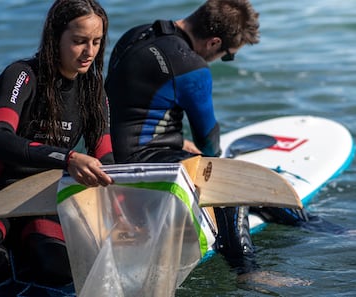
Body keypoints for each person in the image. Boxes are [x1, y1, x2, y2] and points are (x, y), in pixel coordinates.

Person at [105, 0, 311, 275]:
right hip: (147, 167)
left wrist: (176, 143)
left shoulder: (137, 33)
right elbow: (209, 142)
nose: (223, 59)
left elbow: (130, 110)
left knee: (223, 176)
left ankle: (309, 224)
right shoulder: (191, 66)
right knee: (232, 183)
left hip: (111, 156)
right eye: (228, 55)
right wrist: (200, 154)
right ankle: (248, 271)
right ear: (214, 43)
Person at [0, 0, 113, 291]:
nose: (89, 52)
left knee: (58, 269)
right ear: (54, 37)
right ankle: (5, 247)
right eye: (79, 41)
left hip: (42, 203)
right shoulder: (22, 75)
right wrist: (69, 158)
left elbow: (106, 160)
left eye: (96, 42)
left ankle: (22, 246)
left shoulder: (92, 93)